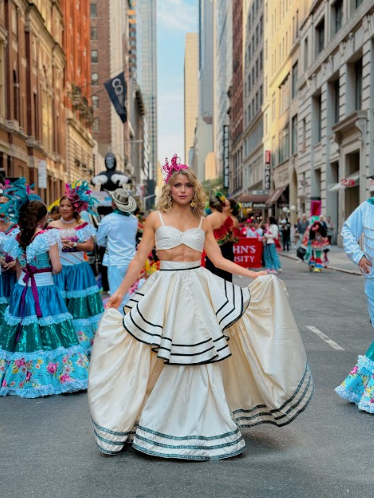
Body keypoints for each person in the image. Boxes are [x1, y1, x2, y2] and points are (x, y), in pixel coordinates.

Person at [88, 154, 314, 460]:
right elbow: (139, 259)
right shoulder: (155, 218)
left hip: (199, 289)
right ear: (170, 188)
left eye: (188, 185)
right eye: (177, 185)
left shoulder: (202, 221)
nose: (183, 190)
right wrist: (119, 292)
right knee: (166, 358)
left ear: (195, 189)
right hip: (165, 291)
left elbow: (218, 260)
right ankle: (161, 424)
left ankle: (209, 426)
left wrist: (255, 274)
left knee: (204, 358)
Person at [0, 180, 89, 397]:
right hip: (45, 289)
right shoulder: (48, 237)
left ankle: (20, 374)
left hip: (22, 290)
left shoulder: (17, 237)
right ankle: (55, 374)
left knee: (23, 331)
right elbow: (57, 268)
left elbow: (19, 269)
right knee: (52, 330)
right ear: (43, 217)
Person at [48, 181, 104, 354]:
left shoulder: (84, 226)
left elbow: (89, 246)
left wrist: (73, 244)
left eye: (68, 205)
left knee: (80, 308)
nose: (64, 208)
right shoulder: (51, 226)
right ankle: (63, 340)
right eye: (62, 205)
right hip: (59, 272)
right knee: (61, 306)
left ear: (75, 208)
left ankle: (83, 343)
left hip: (80, 271)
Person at [335, 177, 374, 413]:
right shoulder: (367, 208)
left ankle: (360, 387)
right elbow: (347, 231)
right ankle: (362, 389)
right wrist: (358, 256)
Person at [97, 189, 138, 311]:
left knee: (117, 295)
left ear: (114, 203)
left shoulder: (108, 219)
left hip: (115, 261)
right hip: (132, 261)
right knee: (130, 294)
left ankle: (119, 324)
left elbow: (100, 241)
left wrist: (110, 244)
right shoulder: (134, 219)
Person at [205, 192, 234, 282]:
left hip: (214, 252)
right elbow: (232, 237)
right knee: (227, 280)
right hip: (228, 252)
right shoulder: (228, 217)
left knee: (214, 281)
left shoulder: (209, 218)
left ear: (210, 205)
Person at [0, 191, 17, 321]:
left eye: (6, 204)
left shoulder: (19, 226)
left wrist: (16, 263)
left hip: (16, 273)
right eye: (0, 204)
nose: (3, 207)